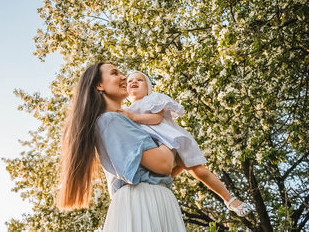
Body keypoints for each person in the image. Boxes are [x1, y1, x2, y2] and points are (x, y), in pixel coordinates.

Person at [58, 63, 186, 231]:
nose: (124, 77)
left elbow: (159, 169)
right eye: (114, 73)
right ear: (99, 85)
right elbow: (163, 165)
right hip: (143, 203)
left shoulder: (118, 121)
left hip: (151, 199)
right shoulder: (111, 120)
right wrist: (170, 133)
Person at [117, 71, 252, 217]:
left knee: (198, 170)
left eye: (139, 80)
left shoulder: (153, 99)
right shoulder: (126, 110)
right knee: (163, 172)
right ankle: (169, 177)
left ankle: (229, 199)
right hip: (154, 147)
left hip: (170, 139)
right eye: (130, 81)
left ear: (148, 87)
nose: (133, 82)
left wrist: (132, 117)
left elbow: (156, 119)